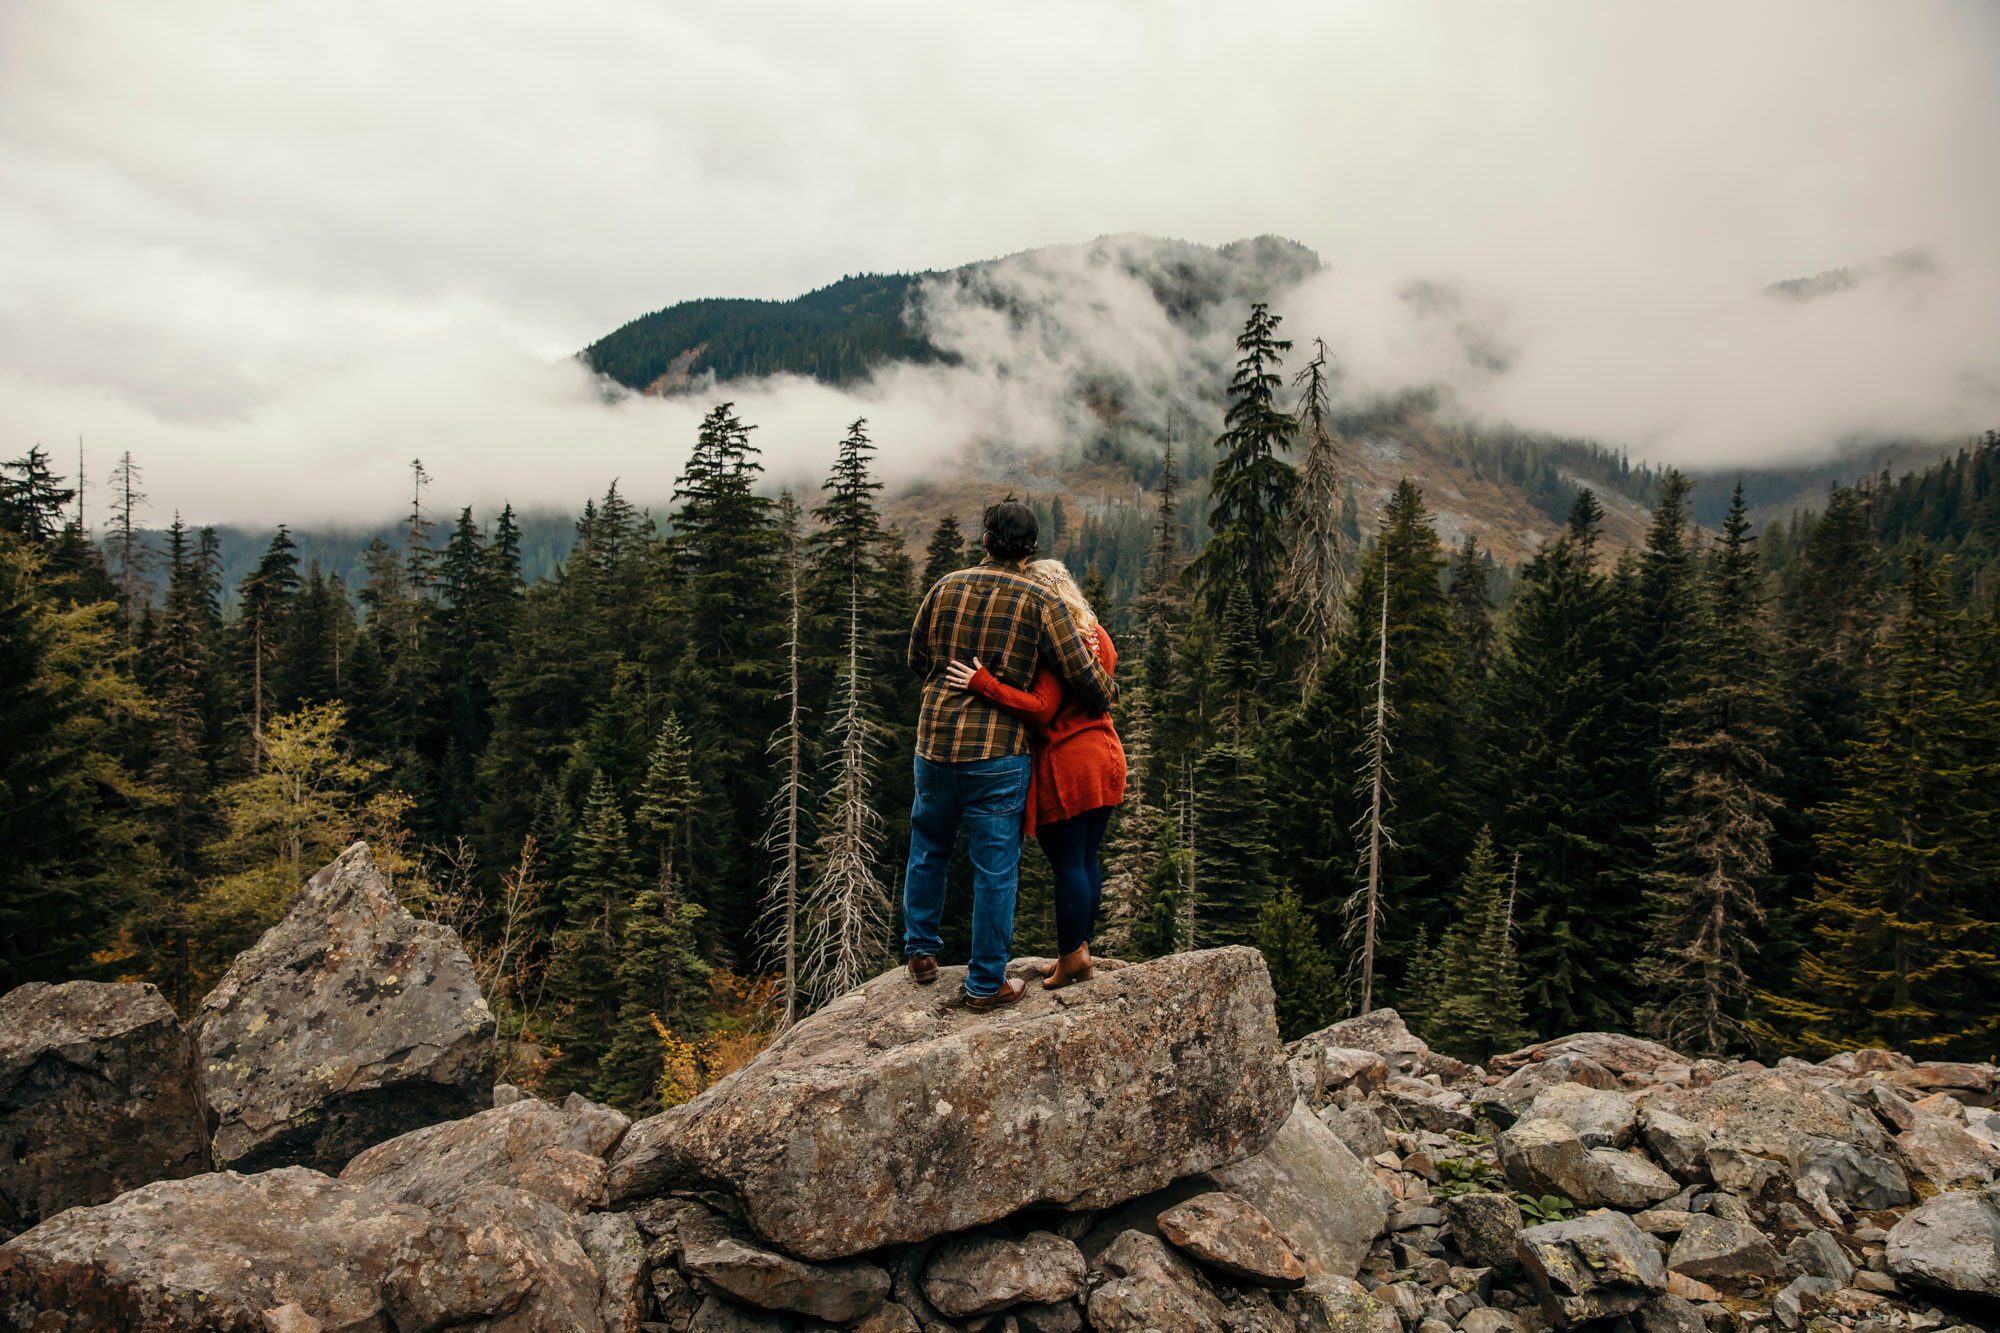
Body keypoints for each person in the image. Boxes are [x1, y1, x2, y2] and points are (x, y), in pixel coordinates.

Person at [903, 501, 1116, 1009]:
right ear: (1032, 548)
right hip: (997, 755)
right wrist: (1107, 687)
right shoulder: (1041, 600)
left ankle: (921, 953)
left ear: (984, 540)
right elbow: (1086, 678)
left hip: (933, 744)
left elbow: (916, 659)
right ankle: (984, 985)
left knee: (929, 844)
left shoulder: (943, 587)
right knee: (994, 868)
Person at [942, 559, 1125, 990]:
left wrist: (982, 683)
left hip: (1069, 760)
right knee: (1085, 859)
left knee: (1067, 864)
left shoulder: (1054, 645)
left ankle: (1070, 958)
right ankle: (1079, 949)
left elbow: (1042, 708)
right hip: (1106, 755)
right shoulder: (1098, 637)